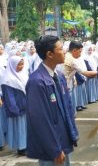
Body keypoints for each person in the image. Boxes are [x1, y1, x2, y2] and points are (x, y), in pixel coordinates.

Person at [26, 35, 79, 165]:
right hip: (52, 147)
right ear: (49, 54)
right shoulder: (37, 82)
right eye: (61, 49)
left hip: (62, 139)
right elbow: (40, 121)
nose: (65, 51)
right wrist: (54, 149)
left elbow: (67, 107)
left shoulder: (59, 76)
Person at [1, 56, 28, 155]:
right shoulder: (7, 79)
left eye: (22, 64)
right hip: (17, 109)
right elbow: (9, 97)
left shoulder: (23, 75)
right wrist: (15, 109)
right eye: (18, 64)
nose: (21, 66)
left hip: (25, 106)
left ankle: (25, 145)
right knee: (19, 128)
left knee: (25, 128)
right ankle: (21, 147)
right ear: (12, 65)